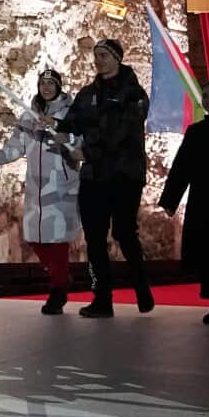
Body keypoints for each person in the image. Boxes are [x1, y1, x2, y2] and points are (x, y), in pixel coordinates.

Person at [56, 38, 153, 318]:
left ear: (117, 58)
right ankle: (102, 299)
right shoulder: (87, 94)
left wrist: (85, 151)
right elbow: (74, 121)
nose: (98, 60)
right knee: (95, 237)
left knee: (124, 232)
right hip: (94, 177)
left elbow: (119, 135)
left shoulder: (134, 95)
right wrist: (57, 125)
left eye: (103, 55)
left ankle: (141, 284)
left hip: (124, 174)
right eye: (95, 55)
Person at [0, 69, 81, 314]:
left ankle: (58, 290)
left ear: (58, 85)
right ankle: (61, 276)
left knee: (57, 238)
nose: (46, 87)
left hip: (60, 187)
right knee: (34, 236)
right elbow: (14, 149)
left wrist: (63, 135)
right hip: (36, 188)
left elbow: (80, 142)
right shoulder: (29, 116)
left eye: (50, 83)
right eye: (42, 83)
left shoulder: (71, 112)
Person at [159, 79, 209, 325]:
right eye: (206, 96)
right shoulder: (196, 132)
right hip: (205, 202)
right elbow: (182, 168)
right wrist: (170, 200)